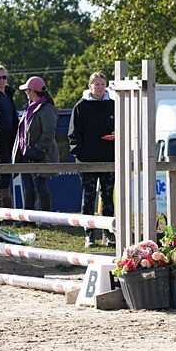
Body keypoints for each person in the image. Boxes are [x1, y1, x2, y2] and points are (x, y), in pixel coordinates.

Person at [68, 71, 116, 248]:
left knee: (108, 198)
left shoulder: (113, 104)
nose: (100, 87)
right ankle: (89, 235)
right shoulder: (80, 107)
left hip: (109, 159)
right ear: (90, 86)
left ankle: (108, 234)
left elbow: (124, 127)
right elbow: (73, 135)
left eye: (102, 84)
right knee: (88, 198)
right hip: (87, 161)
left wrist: (117, 135)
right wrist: (81, 154)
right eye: (96, 84)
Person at [12, 76, 60, 212]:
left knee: (40, 187)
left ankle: (47, 217)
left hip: (40, 154)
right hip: (27, 154)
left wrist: (37, 150)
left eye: (26, 90)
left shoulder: (47, 109)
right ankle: (29, 219)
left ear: (32, 91)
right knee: (29, 188)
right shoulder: (31, 108)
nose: (25, 93)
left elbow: (49, 133)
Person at [0, 64, 17, 208]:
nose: (1, 80)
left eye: (4, 77)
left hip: (10, 138)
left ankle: (6, 209)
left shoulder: (8, 94)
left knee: (7, 172)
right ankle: (2, 207)